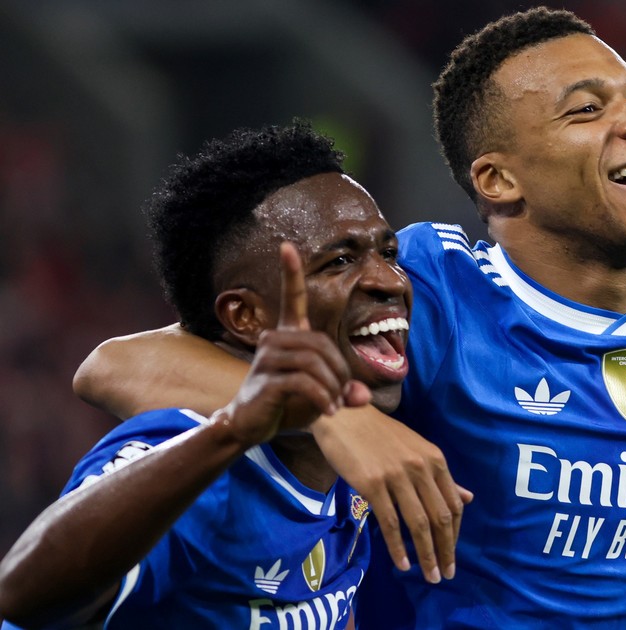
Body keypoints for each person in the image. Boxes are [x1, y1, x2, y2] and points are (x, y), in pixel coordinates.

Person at [72, 7, 626, 628]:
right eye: (587, 110)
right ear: (497, 178)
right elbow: (117, 365)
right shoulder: (433, 289)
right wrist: (337, 418)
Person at [0, 122, 410, 627]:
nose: (390, 280)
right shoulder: (191, 456)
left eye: (388, 253)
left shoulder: (354, 456)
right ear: (246, 316)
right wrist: (231, 431)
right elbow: (20, 592)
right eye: (339, 261)